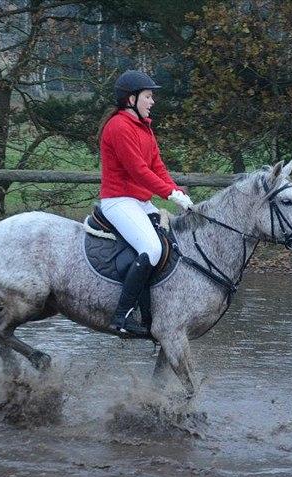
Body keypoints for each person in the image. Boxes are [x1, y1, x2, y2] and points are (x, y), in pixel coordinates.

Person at [98, 69, 194, 337]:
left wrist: (179, 193)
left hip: (139, 201)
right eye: (148, 96)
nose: (152, 101)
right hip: (118, 201)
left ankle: (155, 311)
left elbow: (157, 167)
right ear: (131, 99)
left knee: (172, 243)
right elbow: (138, 171)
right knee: (151, 249)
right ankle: (121, 316)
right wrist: (169, 195)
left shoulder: (144, 127)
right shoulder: (118, 127)